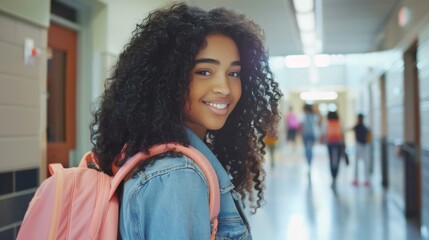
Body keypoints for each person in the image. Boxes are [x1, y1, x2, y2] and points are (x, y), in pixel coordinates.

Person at [89, 3, 282, 239]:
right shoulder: (178, 175)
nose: (224, 88)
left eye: (234, 73)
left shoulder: (154, 153)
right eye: (204, 72)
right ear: (168, 79)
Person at [322, 111, 344, 189]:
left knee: (331, 160)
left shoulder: (327, 123)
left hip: (330, 144)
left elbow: (324, 134)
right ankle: (335, 176)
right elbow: (342, 134)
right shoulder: (339, 122)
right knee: (337, 161)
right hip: (338, 144)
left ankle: (333, 176)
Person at [300, 103, 319, 176]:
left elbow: (302, 125)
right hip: (309, 135)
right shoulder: (311, 115)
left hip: (309, 135)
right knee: (308, 150)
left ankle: (309, 164)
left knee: (308, 150)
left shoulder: (307, 115)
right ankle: (309, 164)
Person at [352, 113, 371, 187]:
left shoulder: (364, 127)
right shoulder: (358, 126)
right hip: (359, 146)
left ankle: (366, 180)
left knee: (365, 164)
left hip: (363, 146)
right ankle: (357, 180)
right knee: (358, 164)